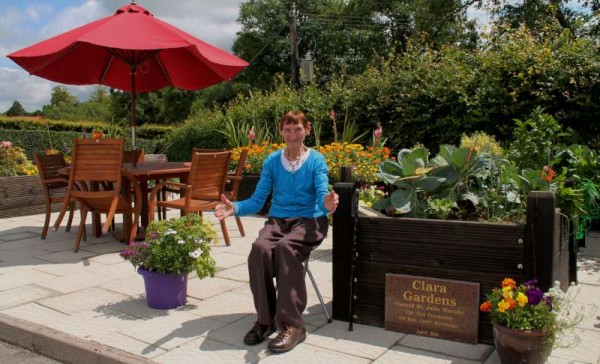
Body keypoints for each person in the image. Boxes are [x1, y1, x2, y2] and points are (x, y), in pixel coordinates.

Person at [215, 110, 339, 353]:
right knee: (259, 249)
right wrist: (236, 207)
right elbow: (258, 199)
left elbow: (323, 188)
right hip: (279, 221)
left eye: (298, 129)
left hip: (310, 220)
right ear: (281, 131)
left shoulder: (316, 160)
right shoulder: (272, 161)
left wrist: (326, 203)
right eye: (288, 129)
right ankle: (265, 319)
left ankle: (293, 325)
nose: (292, 135)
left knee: (285, 248)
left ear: (307, 130)